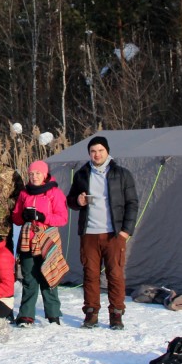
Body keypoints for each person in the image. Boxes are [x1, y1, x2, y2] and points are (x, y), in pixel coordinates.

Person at [66, 136, 139, 330]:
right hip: (89, 233)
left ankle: (116, 314)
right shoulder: (82, 174)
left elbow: (132, 203)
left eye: (100, 150)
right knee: (90, 274)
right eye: (93, 151)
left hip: (114, 233)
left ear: (107, 151)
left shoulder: (121, 174)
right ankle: (91, 313)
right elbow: (70, 200)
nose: (96, 154)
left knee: (115, 274)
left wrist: (126, 231)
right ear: (89, 153)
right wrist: (78, 201)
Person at [11, 160, 68, 327]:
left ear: (44, 174)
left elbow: (62, 218)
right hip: (28, 240)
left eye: (37, 173)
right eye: (31, 174)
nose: (34, 177)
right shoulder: (24, 194)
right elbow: (16, 217)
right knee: (29, 277)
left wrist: (43, 217)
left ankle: (53, 313)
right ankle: (26, 315)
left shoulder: (54, 193)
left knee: (48, 275)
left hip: (47, 238)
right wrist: (24, 217)